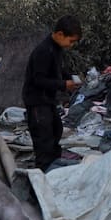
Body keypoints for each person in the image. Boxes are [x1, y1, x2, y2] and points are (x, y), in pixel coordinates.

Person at [22, 15, 82, 171]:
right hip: (36, 101)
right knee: (44, 138)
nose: (71, 45)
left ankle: (54, 167)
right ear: (60, 34)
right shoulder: (43, 51)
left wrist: (69, 77)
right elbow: (38, 80)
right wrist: (63, 84)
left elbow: (55, 70)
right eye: (71, 41)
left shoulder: (55, 48)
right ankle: (43, 173)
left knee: (56, 130)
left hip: (47, 100)